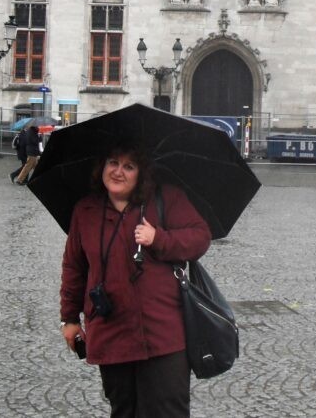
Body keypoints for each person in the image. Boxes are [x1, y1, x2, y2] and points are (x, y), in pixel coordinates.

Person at [59, 142, 210, 418]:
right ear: (102, 167)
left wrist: (159, 238)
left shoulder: (167, 199)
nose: (118, 172)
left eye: (129, 166)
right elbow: (74, 267)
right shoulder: (86, 211)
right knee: (124, 411)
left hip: (164, 334)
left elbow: (200, 238)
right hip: (111, 331)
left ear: (141, 173)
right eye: (113, 163)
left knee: (168, 412)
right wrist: (69, 318)